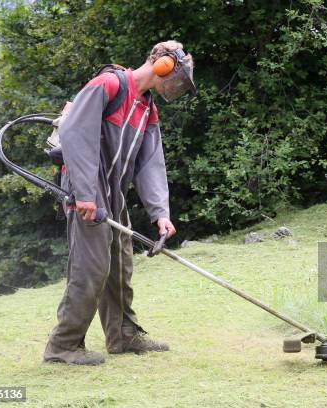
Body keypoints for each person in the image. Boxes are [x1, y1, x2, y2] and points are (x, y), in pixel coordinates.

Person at [43, 40, 196, 365]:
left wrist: (161, 213)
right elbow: (73, 132)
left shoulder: (146, 108)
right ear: (163, 65)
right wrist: (85, 193)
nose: (177, 85)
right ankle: (63, 345)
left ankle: (122, 335)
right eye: (178, 75)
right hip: (88, 187)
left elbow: (150, 162)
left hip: (113, 192)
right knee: (93, 266)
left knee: (121, 263)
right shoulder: (109, 84)